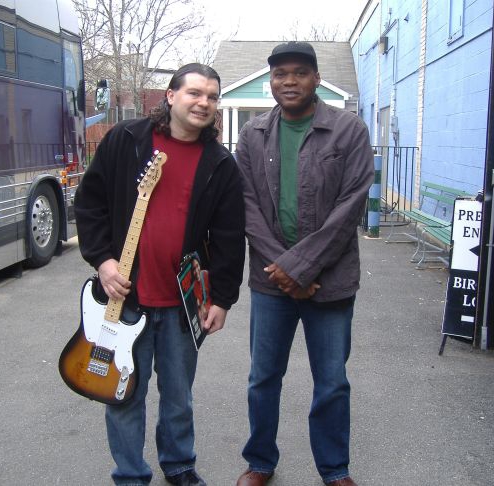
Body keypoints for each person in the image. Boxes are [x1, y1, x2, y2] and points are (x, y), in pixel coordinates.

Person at [74, 63, 245, 486]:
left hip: (181, 306)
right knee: (122, 394)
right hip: (123, 300)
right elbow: (89, 203)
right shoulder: (126, 140)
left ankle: (179, 465)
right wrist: (102, 260)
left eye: (211, 96)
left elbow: (228, 236)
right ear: (171, 96)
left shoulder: (220, 163)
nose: (203, 102)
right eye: (194, 93)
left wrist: (222, 298)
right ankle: (130, 475)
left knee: (178, 397)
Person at [234, 42, 374, 486]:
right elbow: (247, 207)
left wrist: (304, 267)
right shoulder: (253, 134)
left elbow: (351, 206)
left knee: (331, 382)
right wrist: (286, 269)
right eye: (279, 74)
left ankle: (335, 470)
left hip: (330, 282)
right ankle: (260, 463)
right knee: (263, 378)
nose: (288, 82)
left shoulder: (348, 130)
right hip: (271, 282)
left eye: (298, 73)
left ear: (316, 78)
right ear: (269, 81)